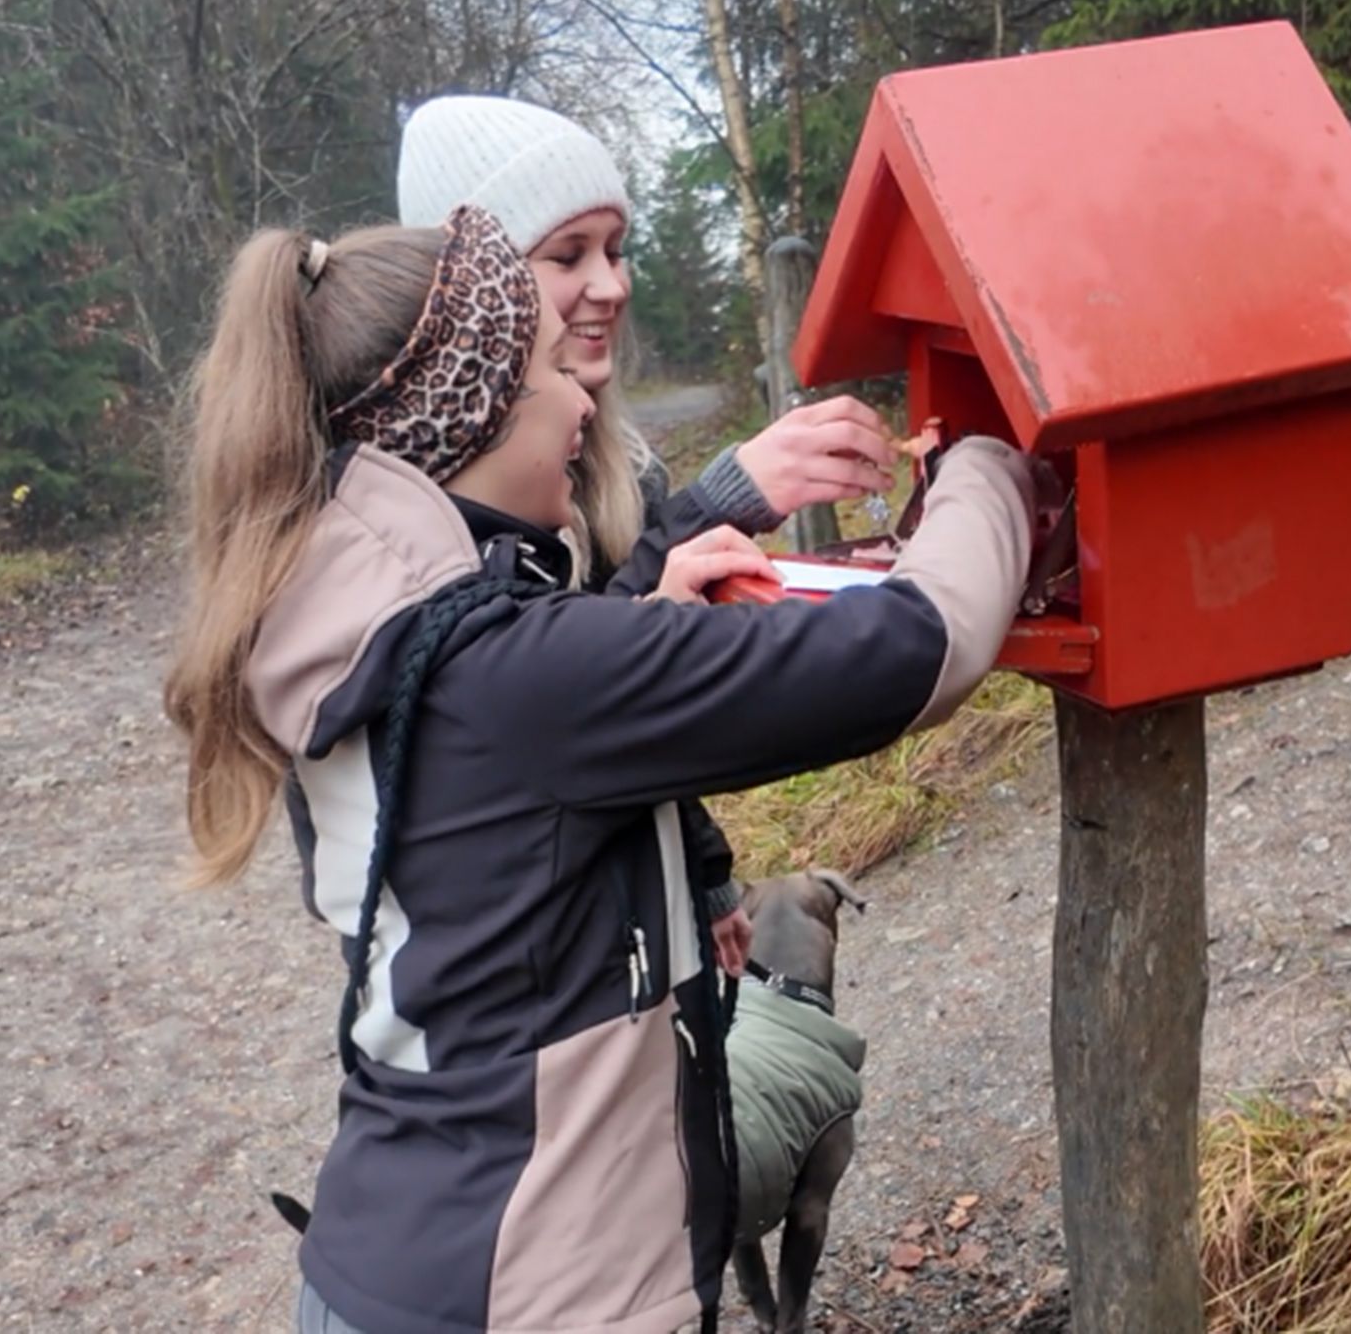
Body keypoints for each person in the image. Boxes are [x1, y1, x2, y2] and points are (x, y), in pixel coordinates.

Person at [163, 204, 1038, 1334]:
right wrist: (991, 461)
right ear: (471, 419)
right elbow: (922, 648)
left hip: (387, 1255)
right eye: (544, 372)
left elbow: (529, 778)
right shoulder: (527, 676)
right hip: (539, 1291)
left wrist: (653, 580)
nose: (584, 398)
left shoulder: (348, 627)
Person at [397, 96, 898, 981]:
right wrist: (726, 499)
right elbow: (582, 692)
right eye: (567, 254)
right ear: (475, 298)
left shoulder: (624, 466)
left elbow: (635, 714)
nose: (613, 284)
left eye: (617, 249)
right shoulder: (438, 519)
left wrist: (705, 880)